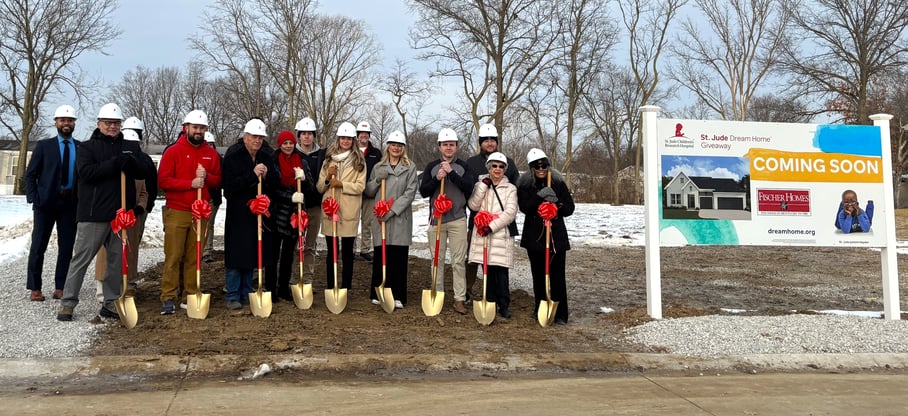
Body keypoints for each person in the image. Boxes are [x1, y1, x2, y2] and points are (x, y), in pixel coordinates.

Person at [57, 103, 149, 321]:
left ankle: (110, 302)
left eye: (116, 123)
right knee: (81, 259)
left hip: (120, 215)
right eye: (108, 123)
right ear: (99, 124)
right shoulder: (87, 148)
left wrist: (134, 161)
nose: (112, 127)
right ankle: (68, 303)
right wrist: (116, 163)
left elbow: (144, 170)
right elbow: (87, 173)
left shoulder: (128, 146)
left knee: (117, 261)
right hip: (93, 214)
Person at [157, 110, 222, 315]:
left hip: (200, 212)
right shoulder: (173, 151)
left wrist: (208, 177)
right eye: (195, 127)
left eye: (202, 128)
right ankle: (168, 295)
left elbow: (218, 180)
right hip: (177, 210)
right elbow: (163, 181)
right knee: (174, 255)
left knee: (195, 256)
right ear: (186, 128)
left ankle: (191, 293)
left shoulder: (210, 153)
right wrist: (189, 183)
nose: (198, 131)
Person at [221, 119, 280, 313]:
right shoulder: (233, 156)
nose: (257, 141)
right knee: (237, 253)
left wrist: (267, 175)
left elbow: (275, 183)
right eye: (254, 137)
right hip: (239, 213)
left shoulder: (266, 156)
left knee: (253, 252)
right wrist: (252, 175)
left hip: (259, 213)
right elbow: (229, 188)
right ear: (245, 137)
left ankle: (247, 291)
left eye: (260, 137)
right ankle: (232, 294)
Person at [25, 105, 79, 302]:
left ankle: (61, 286)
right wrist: (34, 197)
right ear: (56, 123)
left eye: (70, 120)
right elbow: (30, 174)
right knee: (39, 245)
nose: (66, 123)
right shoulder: (44, 146)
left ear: (74, 123)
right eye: (62, 120)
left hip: (70, 204)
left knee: (66, 247)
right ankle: (35, 287)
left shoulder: (80, 147)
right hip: (45, 203)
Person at [418, 128, 476, 314]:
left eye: (451, 144)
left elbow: (469, 187)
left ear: (457, 147)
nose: (448, 148)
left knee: (458, 261)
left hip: (458, 219)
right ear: (439, 147)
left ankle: (459, 298)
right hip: (437, 221)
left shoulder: (464, 167)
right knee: (437, 260)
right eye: (445, 145)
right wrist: (437, 178)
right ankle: (438, 293)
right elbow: (424, 191)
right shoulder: (431, 166)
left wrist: (451, 173)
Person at [516, 148, 575, 325]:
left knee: (558, 275)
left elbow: (569, 209)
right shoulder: (525, 185)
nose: (541, 169)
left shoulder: (557, 183)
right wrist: (539, 196)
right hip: (535, 237)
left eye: (544, 166)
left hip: (556, 237)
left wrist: (557, 201)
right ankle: (540, 307)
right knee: (538, 275)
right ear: (531, 168)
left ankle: (561, 313)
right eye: (537, 167)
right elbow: (525, 207)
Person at [464, 123, 519, 302]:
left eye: (492, 140)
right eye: (485, 140)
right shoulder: (471, 163)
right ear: (480, 142)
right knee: (472, 258)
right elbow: (467, 192)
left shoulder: (508, 162)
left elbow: (515, 187)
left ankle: (498, 298)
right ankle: (468, 290)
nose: (489, 143)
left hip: (500, 221)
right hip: (477, 219)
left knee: (498, 261)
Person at [363, 131, 418, 308]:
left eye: (399, 145)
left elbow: (410, 193)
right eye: (393, 145)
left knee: (398, 256)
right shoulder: (379, 167)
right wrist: (379, 179)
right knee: (381, 255)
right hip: (380, 218)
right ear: (388, 146)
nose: (396, 148)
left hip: (399, 217)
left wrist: (392, 210)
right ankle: (378, 291)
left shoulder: (410, 167)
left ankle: (398, 295)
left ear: (403, 148)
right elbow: (369, 191)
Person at [317, 122, 366, 291]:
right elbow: (319, 188)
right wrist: (327, 179)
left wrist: (341, 184)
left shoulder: (359, 161)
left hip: (348, 211)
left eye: (349, 138)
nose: (345, 141)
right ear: (338, 139)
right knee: (331, 253)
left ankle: (345, 288)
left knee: (347, 253)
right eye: (343, 138)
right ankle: (332, 287)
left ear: (353, 140)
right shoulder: (328, 160)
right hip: (331, 210)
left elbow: (360, 186)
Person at [267, 130, 312, 301]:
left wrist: (304, 180)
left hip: (295, 215)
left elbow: (310, 188)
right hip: (278, 213)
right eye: (285, 143)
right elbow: (271, 187)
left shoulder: (302, 161)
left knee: (288, 254)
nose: (288, 146)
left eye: (290, 143)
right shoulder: (273, 161)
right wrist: (289, 196)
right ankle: (270, 287)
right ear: (280, 144)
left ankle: (283, 287)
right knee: (273, 253)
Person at [295, 117, 325, 285]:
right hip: (297, 206)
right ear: (299, 135)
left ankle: (307, 279)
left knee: (310, 246)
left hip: (314, 206)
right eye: (303, 134)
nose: (306, 137)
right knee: (295, 245)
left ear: (314, 135)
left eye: (309, 134)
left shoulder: (321, 155)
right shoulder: (294, 153)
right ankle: (293, 279)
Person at [355, 121, 382, 262]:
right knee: (352, 221)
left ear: (369, 136)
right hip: (353, 192)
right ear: (357, 135)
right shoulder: (351, 151)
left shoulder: (376, 153)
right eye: (361, 134)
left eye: (366, 134)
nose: (364, 136)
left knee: (367, 222)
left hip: (369, 193)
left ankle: (364, 249)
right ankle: (351, 249)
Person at [201, 131, 222, 263]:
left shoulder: (218, 159)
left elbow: (221, 179)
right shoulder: (198, 156)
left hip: (213, 197)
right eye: (206, 143)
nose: (208, 146)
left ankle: (207, 250)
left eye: (211, 144)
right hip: (199, 197)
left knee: (209, 224)